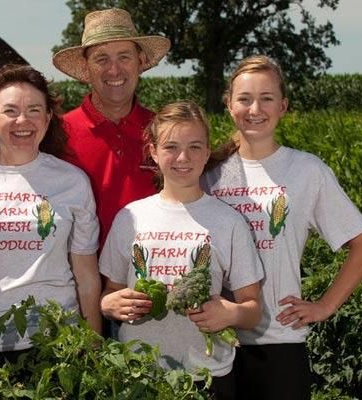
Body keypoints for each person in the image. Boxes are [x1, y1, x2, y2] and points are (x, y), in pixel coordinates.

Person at [202, 55, 362, 400]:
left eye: (267, 98)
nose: (255, 108)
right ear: (228, 105)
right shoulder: (207, 171)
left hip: (279, 341)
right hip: (214, 342)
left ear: (283, 106)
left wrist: (324, 306)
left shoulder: (306, 171)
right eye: (244, 99)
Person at [0, 64, 101, 398]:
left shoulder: (72, 181)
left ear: (47, 119)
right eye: (10, 111)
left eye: (34, 111)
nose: (23, 121)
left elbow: (86, 275)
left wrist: (93, 345)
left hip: (55, 342)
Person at [99, 101, 264, 399]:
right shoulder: (130, 217)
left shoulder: (228, 222)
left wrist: (232, 313)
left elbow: (252, 310)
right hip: (139, 374)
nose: (183, 158)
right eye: (171, 147)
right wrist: (108, 305)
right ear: (153, 152)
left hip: (207, 377)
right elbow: (111, 289)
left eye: (195, 147)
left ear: (206, 153)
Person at [52, 7, 171, 248]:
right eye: (101, 58)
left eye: (124, 57)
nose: (114, 70)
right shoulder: (57, 133)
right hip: (80, 278)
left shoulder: (165, 131)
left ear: (141, 61)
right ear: (86, 68)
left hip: (155, 276)